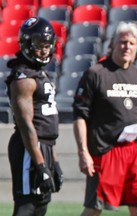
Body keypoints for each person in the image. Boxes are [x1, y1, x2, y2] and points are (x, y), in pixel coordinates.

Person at [72, 22, 137, 216]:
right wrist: (83, 152)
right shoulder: (96, 73)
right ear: (113, 44)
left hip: (133, 150)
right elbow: (80, 115)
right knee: (94, 208)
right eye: (123, 42)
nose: (127, 47)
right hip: (105, 150)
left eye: (132, 43)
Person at [5, 17, 64, 216]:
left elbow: (46, 128)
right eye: (40, 45)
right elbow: (26, 125)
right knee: (26, 206)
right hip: (28, 149)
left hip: (43, 147)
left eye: (48, 45)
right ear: (27, 44)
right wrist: (40, 164)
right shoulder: (24, 78)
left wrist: (53, 162)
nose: (45, 50)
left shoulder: (39, 73)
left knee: (41, 203)